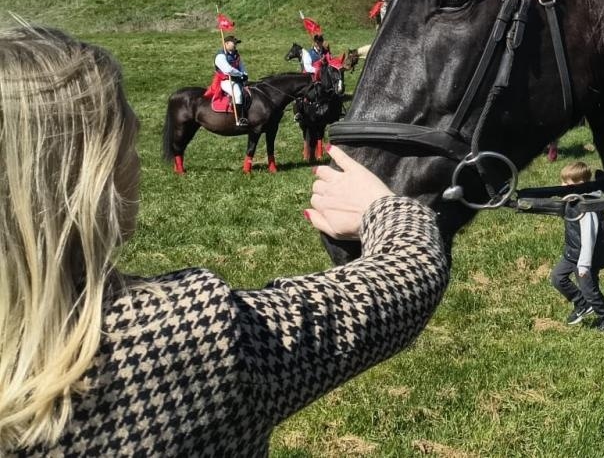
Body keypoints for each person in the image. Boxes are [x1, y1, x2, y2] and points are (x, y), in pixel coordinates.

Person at [0, 23, 449, 455]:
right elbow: (408, 277)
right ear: (96, 175)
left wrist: (243, 70)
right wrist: (381, 207)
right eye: (128, 143)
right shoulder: (190, 332)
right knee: (235, 95)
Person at [550, 161, 604, 333]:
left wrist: (584, 264)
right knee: (558, 278)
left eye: (568, 183)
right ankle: (582, 303)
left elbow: (589, 237)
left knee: (590, 290)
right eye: (562, 181)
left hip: (586, 258)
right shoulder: (571, 200)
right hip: (571, 253)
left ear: (582, 185)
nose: (563, 186)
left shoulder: (587, 206)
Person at [213, 34, 249, 119]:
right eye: (234, 43)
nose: (235, 45)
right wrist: (240, 74)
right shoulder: (220, 56)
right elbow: (228, 70)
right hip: (226, 81)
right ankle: (239, 118)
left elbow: (242, 66)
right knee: (238, 94)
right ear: (226, 44)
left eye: (236, 43)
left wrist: (245, 75)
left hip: (238, 80)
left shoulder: (236, 55)